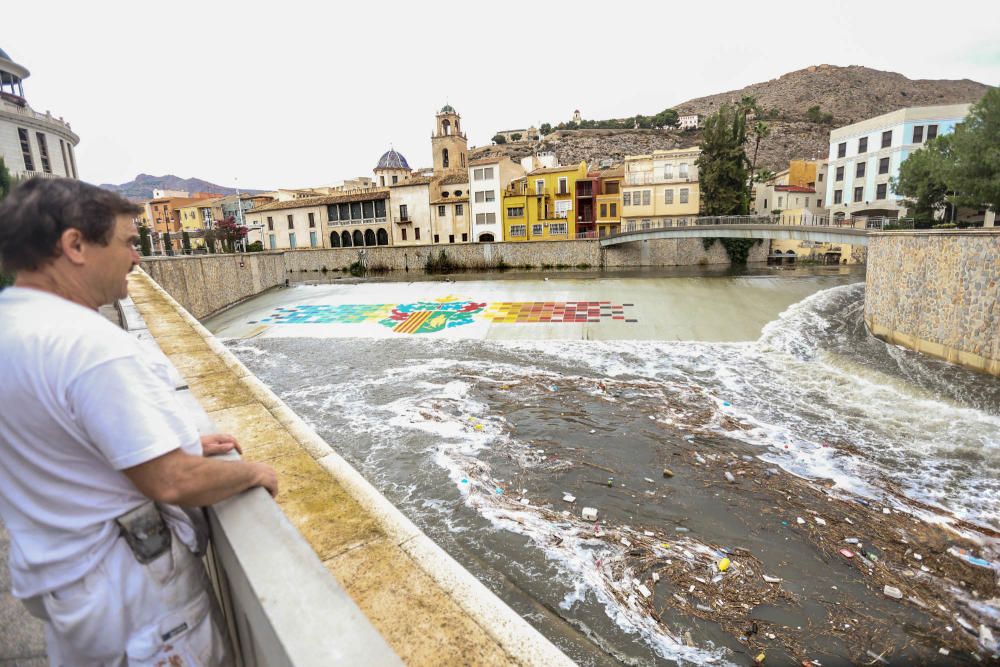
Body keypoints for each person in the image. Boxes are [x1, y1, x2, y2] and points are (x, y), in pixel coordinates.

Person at [0, 178, 278, 665]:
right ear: (75, 245)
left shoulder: (12, 325)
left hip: (69, 601)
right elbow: (173, 480)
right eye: (129, 242)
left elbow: (64, 440)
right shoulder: (86, 343)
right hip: (138, 609)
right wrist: (254, 472)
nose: (138, 258)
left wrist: (177, 440)